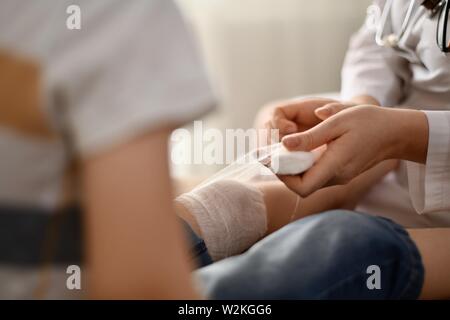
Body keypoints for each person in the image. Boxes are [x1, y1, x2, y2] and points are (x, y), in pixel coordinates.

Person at [255, 0, 450, 299]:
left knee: (342, 254)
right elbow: (380, 38)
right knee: (268, 131)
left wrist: (401, 136)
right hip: (405, 142)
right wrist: (361, 104)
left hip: (432, 168)